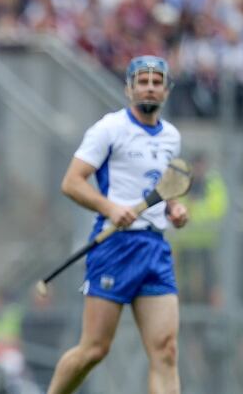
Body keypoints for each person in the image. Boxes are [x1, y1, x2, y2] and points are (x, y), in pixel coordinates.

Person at [46, 55, 189, 394]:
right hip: (115, 246)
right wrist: (110, 208)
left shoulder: (171, 137)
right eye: (143, 81)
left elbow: (162, 190)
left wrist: (175, 209)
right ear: (129, 88)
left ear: (166, 90)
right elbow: (72, 182)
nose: (150, 88)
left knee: (166, 351)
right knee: (94, 350)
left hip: (155, 248)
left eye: (157, 82)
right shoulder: (109, 128)